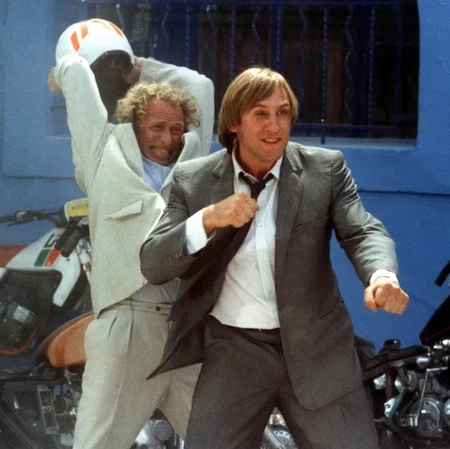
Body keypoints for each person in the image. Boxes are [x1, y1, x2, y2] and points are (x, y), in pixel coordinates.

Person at [140, 67, 409, 449]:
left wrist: (381, 275)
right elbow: (153, 262)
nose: (275, 125)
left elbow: (361, 230)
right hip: (235, 352)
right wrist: (209, 218)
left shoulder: (325, 170)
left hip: (317, 348)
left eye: (283, 113)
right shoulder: (193, 180)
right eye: (261, 114)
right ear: (234, 122)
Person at [47, 18, 214, 449]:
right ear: (133, 122)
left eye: (175, 128)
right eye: (156, 127)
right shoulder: (101, 154)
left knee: (221, 439)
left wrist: (140, 66)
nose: (167, 138)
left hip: (185, 327)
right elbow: (78, 72)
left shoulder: (193, 157)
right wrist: (64, 69)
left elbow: (201, 86)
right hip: (128, 325)